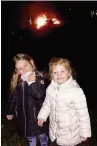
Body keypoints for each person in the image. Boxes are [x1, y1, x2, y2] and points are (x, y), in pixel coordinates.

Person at [38, 57, 91, 146]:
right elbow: (47, 104)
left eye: (62, 71)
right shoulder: (50, 89)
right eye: (55, 72)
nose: (59, 75)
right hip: (55, 131)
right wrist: (42, 116)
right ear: (51, 75)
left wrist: (84, 133)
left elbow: (83, 115)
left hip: (71, 134)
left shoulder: (76, 91)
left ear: (69, 72)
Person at [6, 53, 48, 146]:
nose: (24, 69)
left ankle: (44, 141)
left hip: (37, 115)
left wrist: (31, 82)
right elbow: (13, 97)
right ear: (17, 70)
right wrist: (10, 111)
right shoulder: (18, 81)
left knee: (41, 134)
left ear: (31, 63)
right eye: (20, 68)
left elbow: (38, 95)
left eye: (25, 65)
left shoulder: (38, 78)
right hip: (24, 116)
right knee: (30, 136)